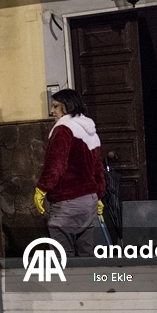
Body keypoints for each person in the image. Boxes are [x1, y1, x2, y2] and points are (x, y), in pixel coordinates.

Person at [34, 88, 106, 256]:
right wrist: (100, 195)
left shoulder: (63, 129)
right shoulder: (89, 130)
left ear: (67, 106)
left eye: (56, 106)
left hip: (67, 201)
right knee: (86, 253)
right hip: (89, 202)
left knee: (63, 256)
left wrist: (42, 189)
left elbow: (55, 163)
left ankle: (69, 283)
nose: (52, 111)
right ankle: (89, 282)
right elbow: (97, 167)